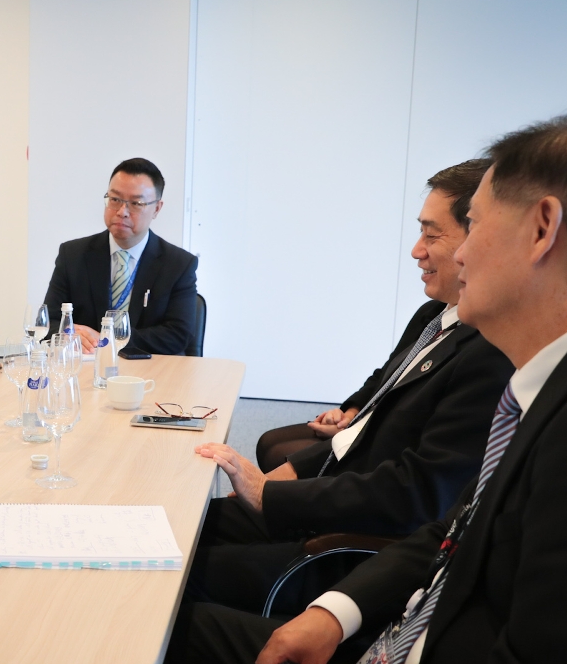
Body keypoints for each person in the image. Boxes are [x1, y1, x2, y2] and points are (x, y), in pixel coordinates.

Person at [56, 113, 567, 664]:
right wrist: (335, 613)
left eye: (473, 224)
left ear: (542, 228)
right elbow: (454, 534)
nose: (451, 253)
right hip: (400, 663)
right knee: (164, 639)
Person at [188, 161, 513, 616]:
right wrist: (288, 476)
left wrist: (273, 494)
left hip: (351, 547)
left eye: (431, 234)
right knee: (183, 527)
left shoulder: (491, 354)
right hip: (330, 503)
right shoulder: (435, 316)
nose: (416, 250)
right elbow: (377, 406)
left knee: (178, 580)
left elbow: (416, 493)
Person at [42, 158, 198, 355]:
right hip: (87, 367)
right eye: (115, 200)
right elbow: (49, 323)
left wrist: (109, 340)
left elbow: (178, 335)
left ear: (157, 208)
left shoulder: (179, 264)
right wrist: (69, 334)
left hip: (149, 368)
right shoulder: (72, 255)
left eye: (136, 203)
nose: (122, 212)